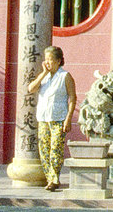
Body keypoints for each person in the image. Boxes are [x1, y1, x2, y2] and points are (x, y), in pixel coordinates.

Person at [26, 46, 76, 191]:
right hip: (43, 118)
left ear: (58, 61)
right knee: (44, 149)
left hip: (58, 118)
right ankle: (50, 179)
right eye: (45, 59)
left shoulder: (65, 76)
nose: (47, 62)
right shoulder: (45, 77)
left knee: (56, 149)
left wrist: (68, 119)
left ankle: (54, 179)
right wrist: (43, 73)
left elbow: (72, 98)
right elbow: (31, 88)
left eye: (50, 59)